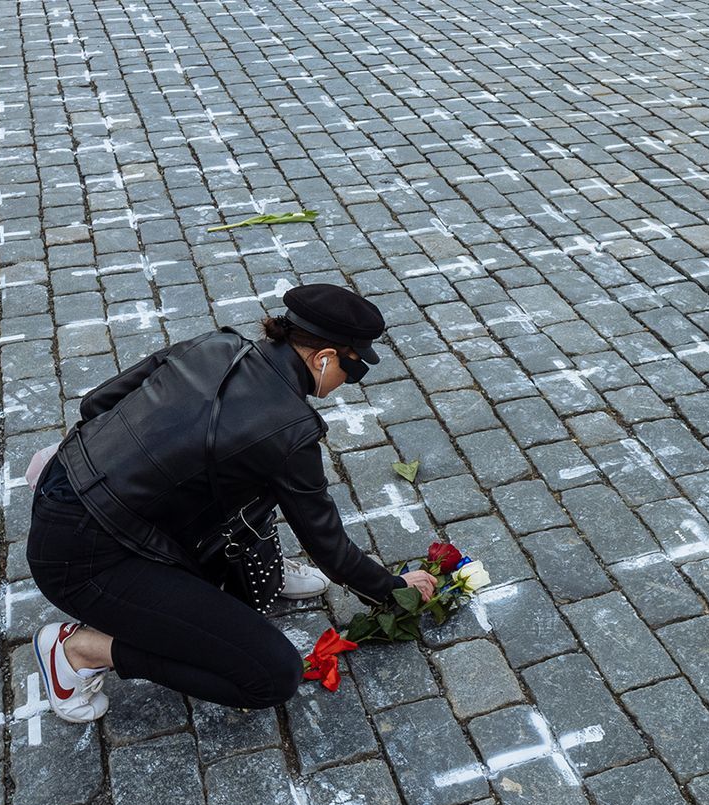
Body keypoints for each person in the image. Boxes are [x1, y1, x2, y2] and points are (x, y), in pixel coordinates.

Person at [25, 283, 436, 721]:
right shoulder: (290, 431)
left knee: (248, 479)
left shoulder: (217, 344)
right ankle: (80, 650)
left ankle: (267, 575)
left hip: (67, 491)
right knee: (271, 675)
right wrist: (394, 590)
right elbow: (329, 547)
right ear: (324, 358)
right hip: (86, 562)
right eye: (353, 371)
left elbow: (96, 404)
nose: (348, 383)